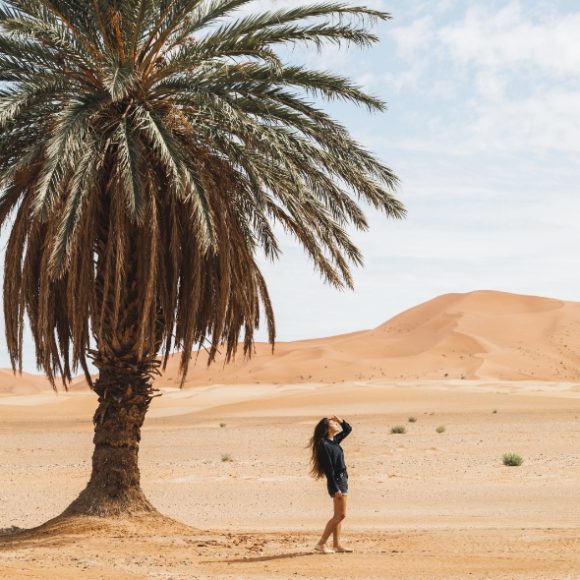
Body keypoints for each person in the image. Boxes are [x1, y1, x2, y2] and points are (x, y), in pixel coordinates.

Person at [309, 415, 353, 554]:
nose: (335, 424)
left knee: (338, 515)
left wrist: (339, 419)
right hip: (337, 481)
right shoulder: (324, 445)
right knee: (340, 515)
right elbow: (329, 469)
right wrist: (335, 487)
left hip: (342, 479)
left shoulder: (334, 441)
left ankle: (336, 545)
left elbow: (348, 429)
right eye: (332, 423)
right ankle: (321, 544)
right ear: (327, 428)